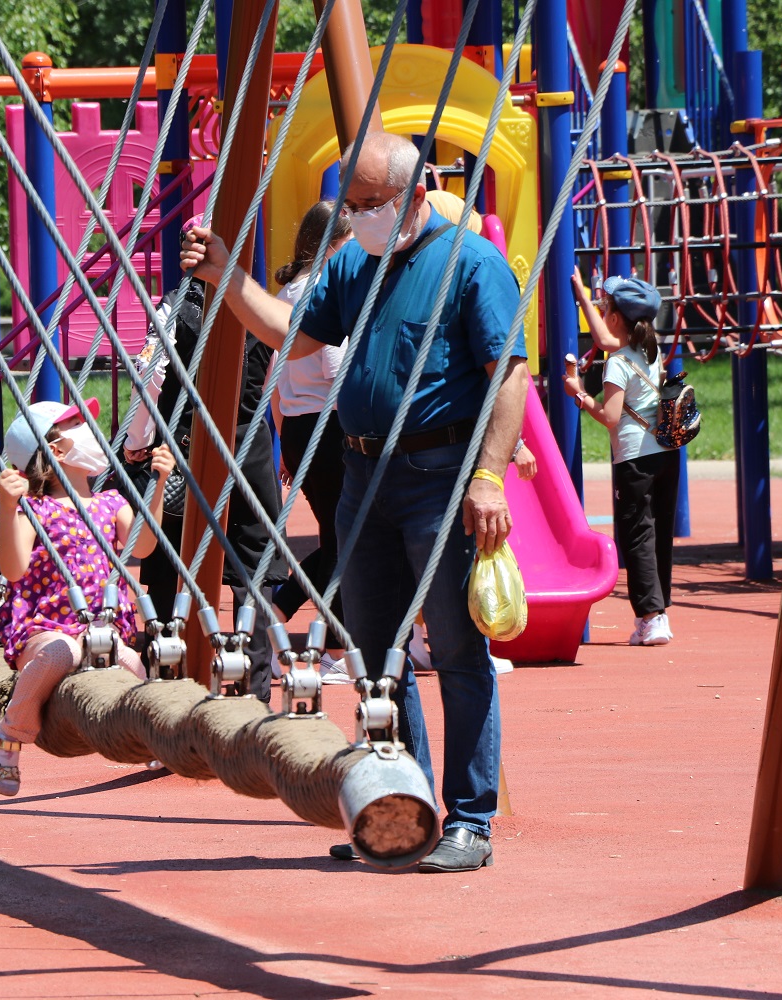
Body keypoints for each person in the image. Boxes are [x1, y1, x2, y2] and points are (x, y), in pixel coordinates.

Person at [180, 132, 529, 873]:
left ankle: (471, 818)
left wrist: (489, 476)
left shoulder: (470, 261)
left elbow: (509, 375)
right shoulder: (352, 263)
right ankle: (399, 808)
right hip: (362, 476)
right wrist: (227, 277)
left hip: (441, 474)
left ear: (416, 191)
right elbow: (290, 336)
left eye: (377, 203)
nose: (364, 214)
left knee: (458, 652)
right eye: (357, 203)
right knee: (375, 660)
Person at [0, 399, 174, 796]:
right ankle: (8, 735)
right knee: (61, 654)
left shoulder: (110, 503)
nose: (92, 430)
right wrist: (6, 508)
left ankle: (153, 738)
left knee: (133, 665)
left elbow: (141, 547)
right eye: (77, 424)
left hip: (101, 630)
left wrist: (158, 486)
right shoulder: (36, 510)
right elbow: (14, 569)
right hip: (46, 627)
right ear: (55, 450)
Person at [120, 263, 287, 701]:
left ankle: (167, 679)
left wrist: (135, 439)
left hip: (187, 449)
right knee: (253, 570)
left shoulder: (175, 308)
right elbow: (270, 381)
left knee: (166, 562)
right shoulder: (257, 305)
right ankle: (256, 689)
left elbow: (151, 376)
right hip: (248, 448)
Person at [564, 272, 677, 646]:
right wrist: (583, 297)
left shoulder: (617, 363)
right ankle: (659, 613)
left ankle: (650, 616)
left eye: (605, 307)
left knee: (637, 535)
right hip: (665, 452)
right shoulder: (650, 348)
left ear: (616, 318)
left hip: (634, 458)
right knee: (658, 532)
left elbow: (610, 416)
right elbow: (605, 339)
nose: (602, 311)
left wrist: (580, 395)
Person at [267, 200, 352, 684]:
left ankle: (282, 607)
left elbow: (276, 381)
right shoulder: (323, 290)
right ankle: (335, 647)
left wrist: (283, 441)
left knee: (336, 534)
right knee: (347, 536)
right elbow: (334, 368)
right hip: (330, 423)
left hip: (299, 425)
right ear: (332, 245)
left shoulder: (286, 294)